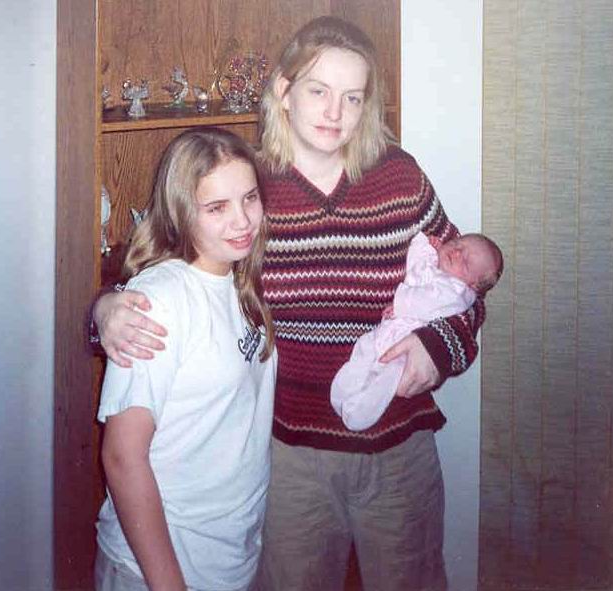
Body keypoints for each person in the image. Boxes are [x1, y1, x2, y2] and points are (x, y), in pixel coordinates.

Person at [93, 17, 487, 591]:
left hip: (399, 452)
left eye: (353, 97)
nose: (335, 112)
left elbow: (468, 284)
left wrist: (439, 347)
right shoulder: (249, 191)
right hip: (288, 460)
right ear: (283, 90)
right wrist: (105, 309)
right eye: (318, 90)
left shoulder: (400, 178)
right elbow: (169, 270)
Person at [94, 127, 277, 591]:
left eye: (250, 198)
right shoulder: (159, 301)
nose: (242, 221)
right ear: (180, 211)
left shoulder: (239, 278)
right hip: (159, 567)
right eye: (217, 208)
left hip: (228, 553)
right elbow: (122, 457)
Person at [331, 231, 503, 431]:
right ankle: (344, 392)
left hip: (404, 354)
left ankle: (363, 412)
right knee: (364, 348)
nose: (456, 252)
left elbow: (468, 310)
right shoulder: (437, 266)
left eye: (465, 262)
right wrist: (425, 245)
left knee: (388, 376)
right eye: (457, 244)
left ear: (472, 286)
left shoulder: (457, 291)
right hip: (387, 332)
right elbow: (417, 265)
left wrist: (435, 345)